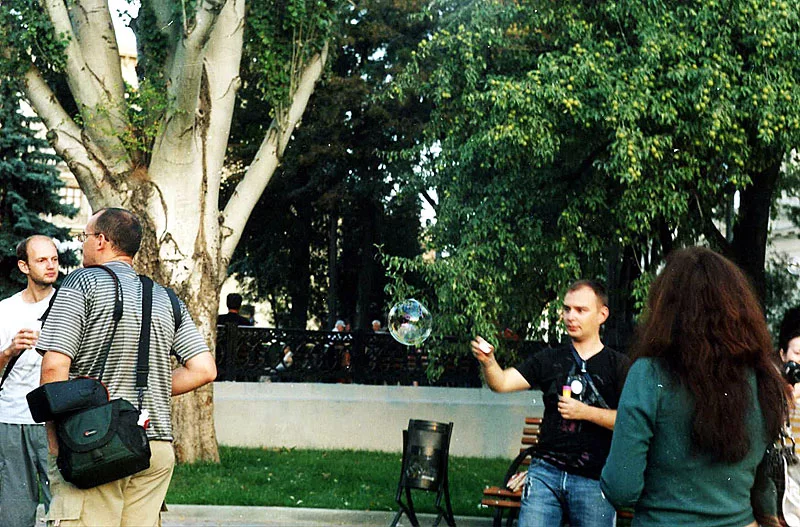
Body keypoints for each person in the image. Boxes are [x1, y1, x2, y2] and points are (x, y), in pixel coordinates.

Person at [37, 208, 217, 526]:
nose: (82, 244)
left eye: (84, 236)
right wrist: (152, 385)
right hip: (153, 446)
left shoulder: (81, 283)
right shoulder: (166, 298)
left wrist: (55, 440)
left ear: (101, 240)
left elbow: (55, 366)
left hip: (93, 443)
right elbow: (204, 369)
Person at [600, 247, 789, 526]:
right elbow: (762, 484)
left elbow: (621, 488)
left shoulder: (649, 374)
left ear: (666, 309)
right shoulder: (765, 378)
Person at [471, 280, 629, 527]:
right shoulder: (549, 358)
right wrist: (489, 361)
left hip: (594, 479)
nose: (570, 316)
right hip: (545, 475)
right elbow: (502, 382)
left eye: (581, 310)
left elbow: (629, 422)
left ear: (602, 314)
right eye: (567, 309)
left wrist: (586, 412)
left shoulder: (619, 365)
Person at [0, 236, 59, 526]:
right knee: (13, 513)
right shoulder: (5, 310)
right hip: (11, 417)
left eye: (54, 259)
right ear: (24, 266)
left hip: (55, 420)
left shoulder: (67, 305)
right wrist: (10, 350)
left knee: (62, 509)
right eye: (42, 260)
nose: (51, 266)